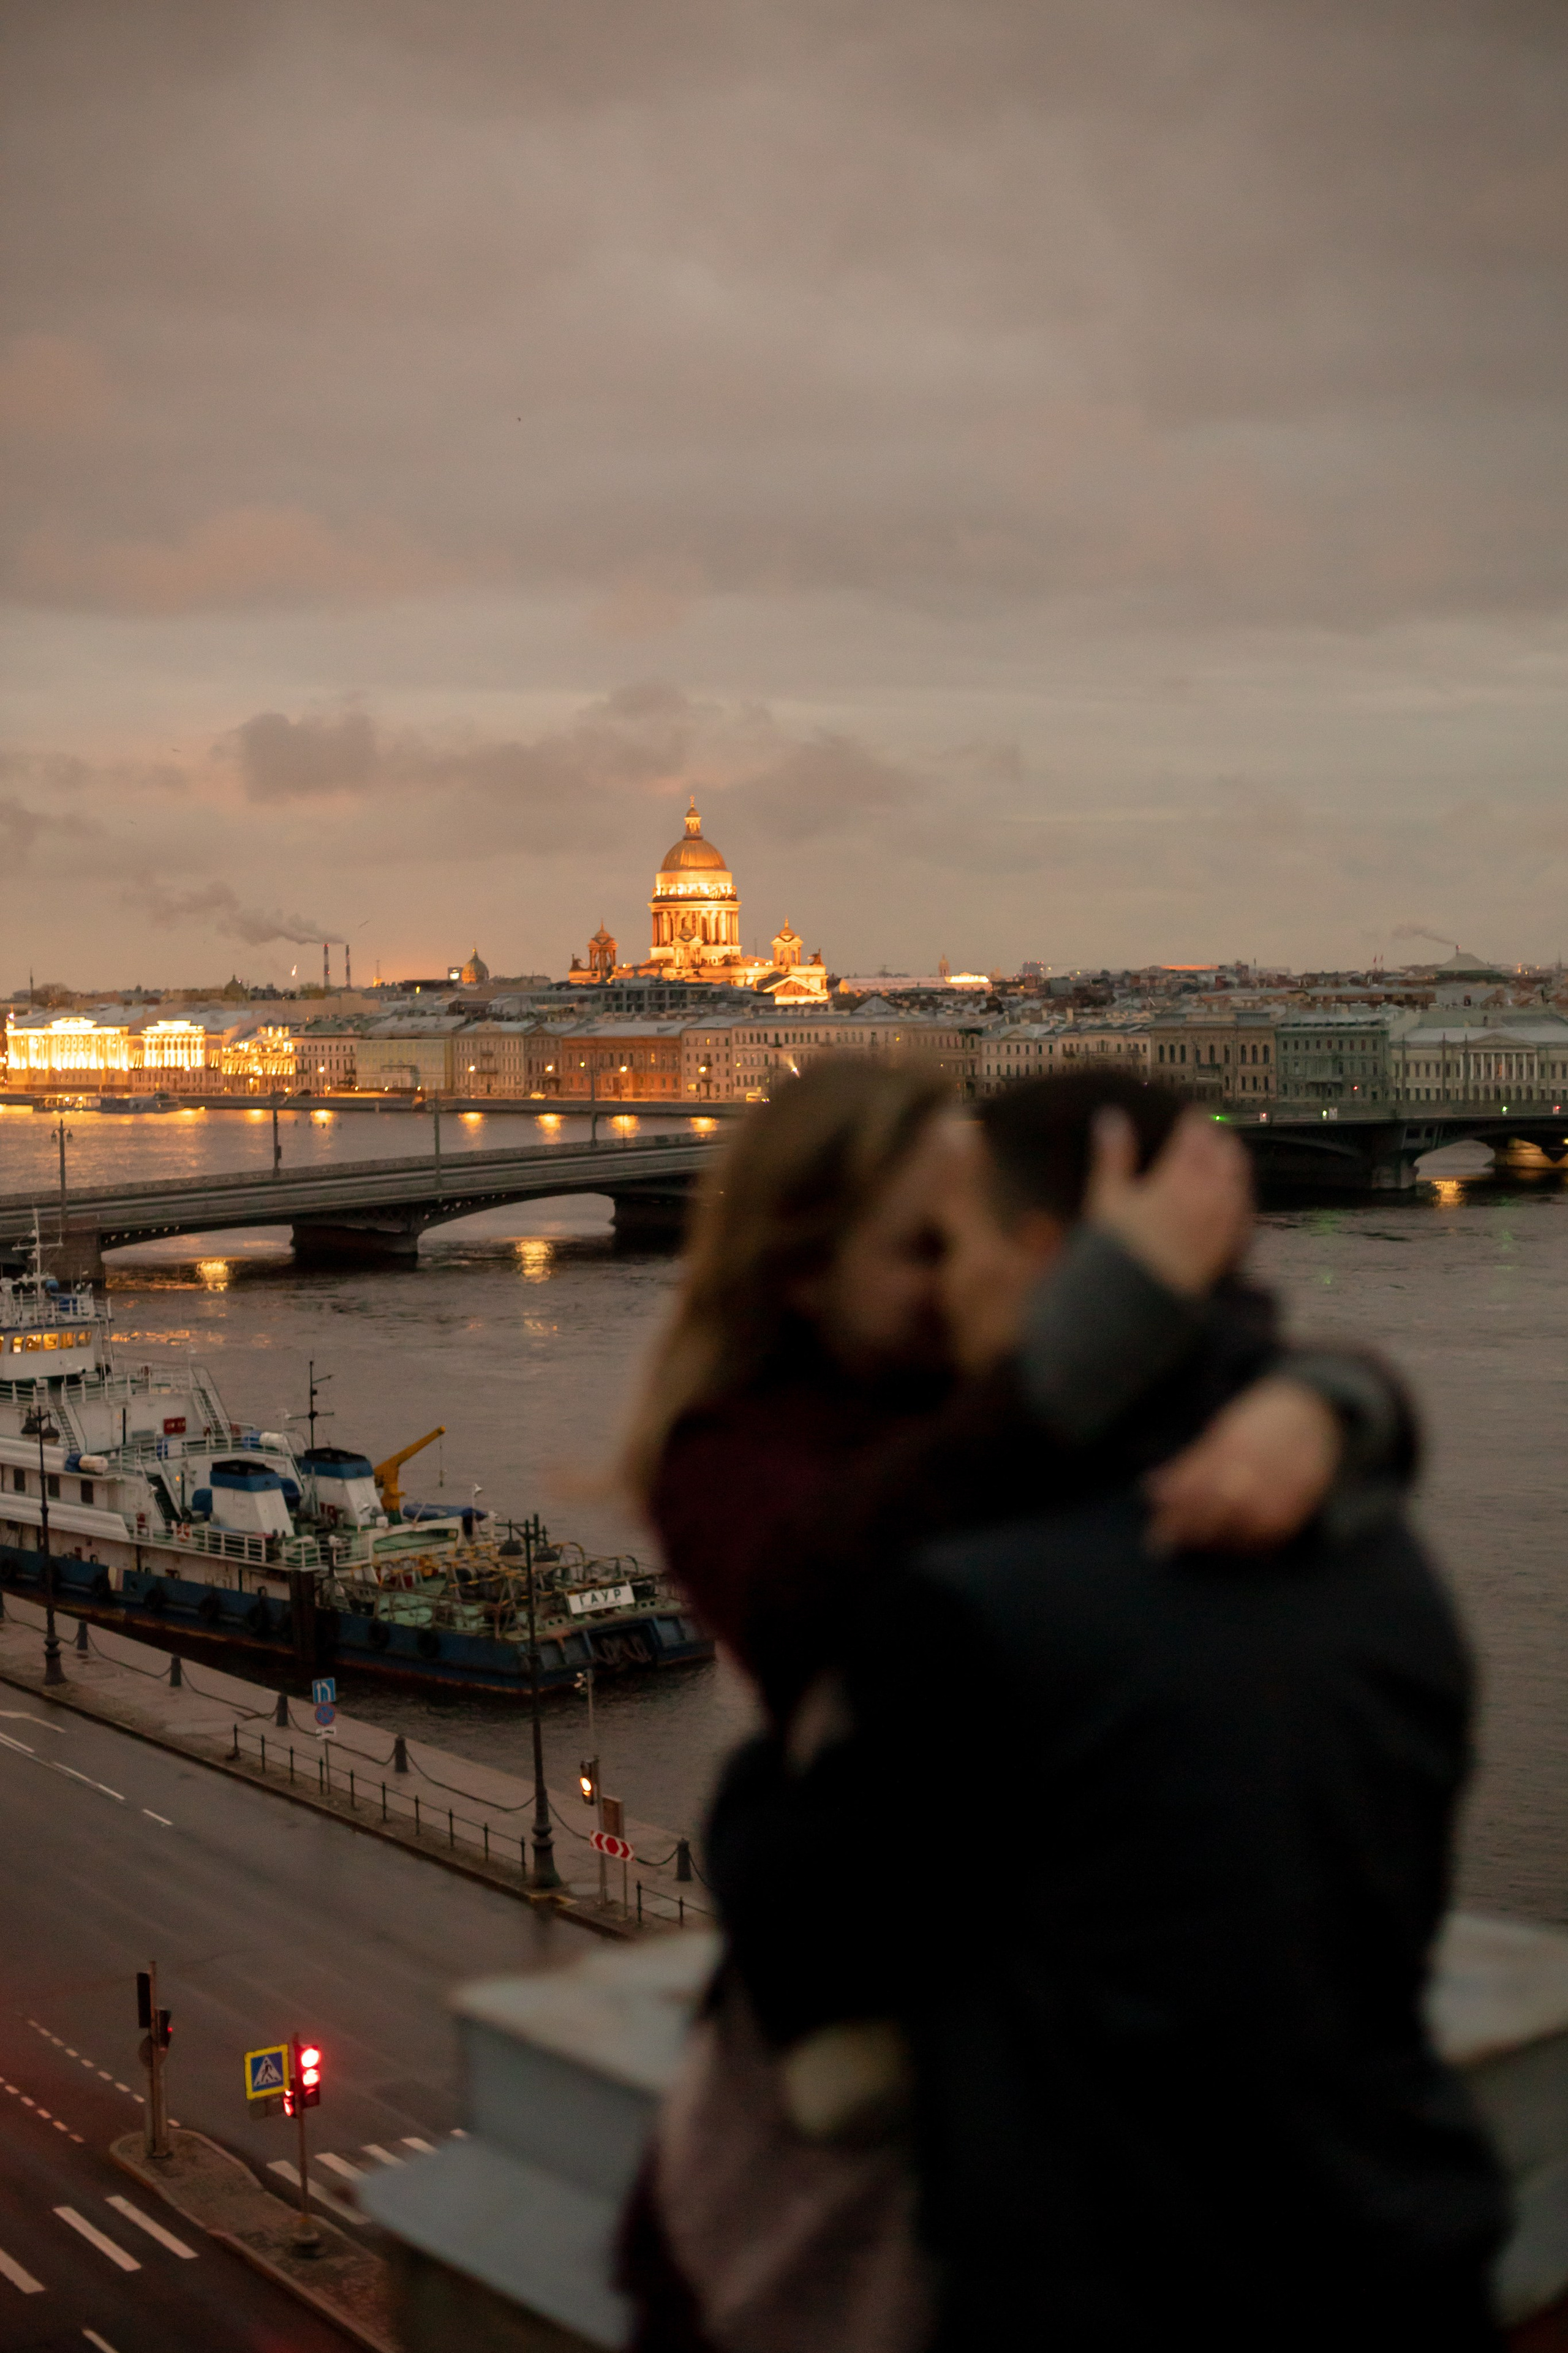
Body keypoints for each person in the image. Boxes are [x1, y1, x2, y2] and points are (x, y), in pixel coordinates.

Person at [623, 1061, 1423, 2352]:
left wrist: (1331, 1401)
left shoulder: (1000, 1402)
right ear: (800, 1270)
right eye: (919, 1247)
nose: (959, 1277)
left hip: (1025, 2124)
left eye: (977, 1235)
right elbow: (838, 1595)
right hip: (827, 2185)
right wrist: (1114, 1318)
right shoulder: (738, 1456)